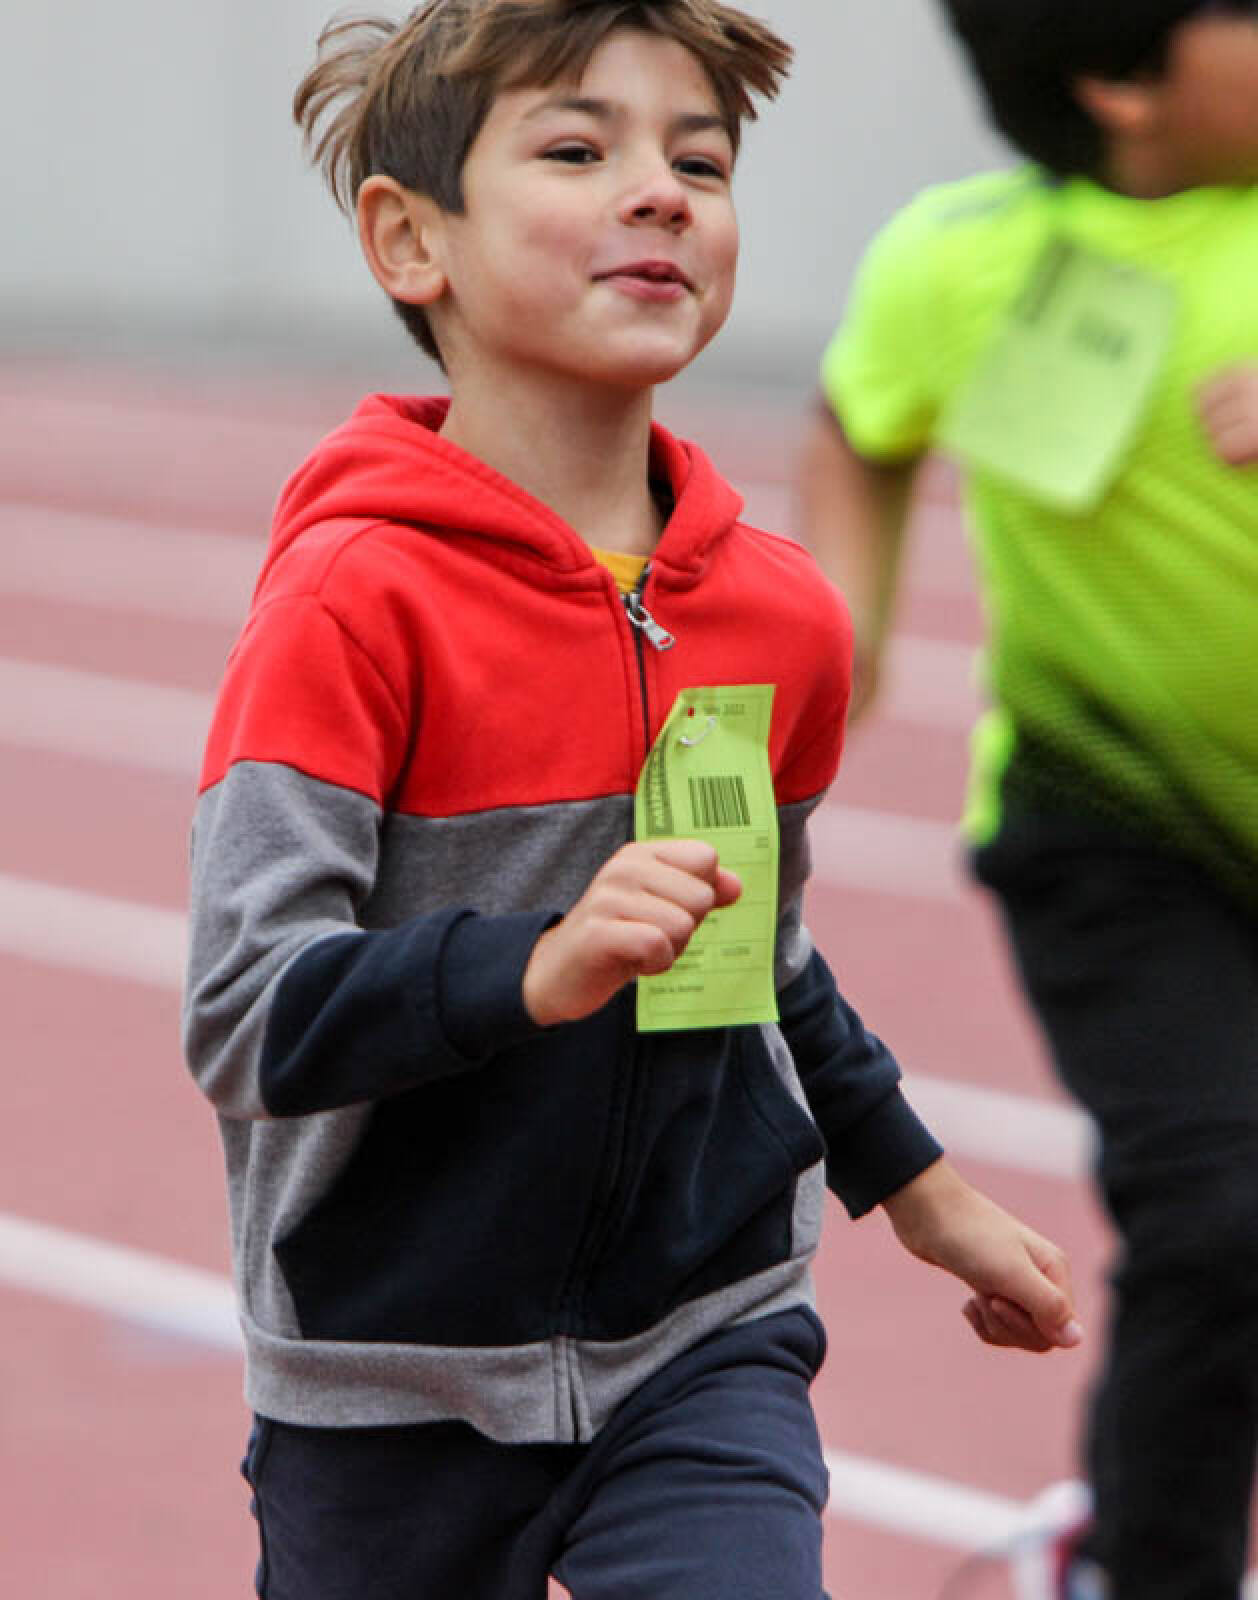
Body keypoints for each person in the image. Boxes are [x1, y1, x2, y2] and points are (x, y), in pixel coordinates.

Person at [182, 4, 1083, 1598]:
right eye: (577, 150)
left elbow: (760, 962)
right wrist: (536, 966)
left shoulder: (779, 617)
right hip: (391, 1375)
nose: (660, 191)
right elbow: (248, 1016)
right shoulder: (348, 606)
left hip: (702, 1333)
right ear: (410, 240)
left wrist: (918, 1191)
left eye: (701, 163)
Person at [799, 3, 1258, 1597]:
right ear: (1119, 81)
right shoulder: (962, 264)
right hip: (1108, 824)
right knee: (1218, 1210)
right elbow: (859, 426)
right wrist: (843, 640)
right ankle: (1138, 1568)